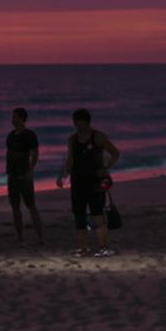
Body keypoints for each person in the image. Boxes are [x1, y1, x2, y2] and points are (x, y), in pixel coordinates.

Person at [66, 110, 120, 257]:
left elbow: (115, 153)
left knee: (97, 215)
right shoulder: (72, 139)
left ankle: (104, 247)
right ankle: (83, 248)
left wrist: (105, 168)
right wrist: (63, 174)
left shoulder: (98, 137)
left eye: (78, 122)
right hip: (77, 182)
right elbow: (70, 159)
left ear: (86, 121)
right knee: (79, 216)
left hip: (94, 182)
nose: (76, 125)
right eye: (74, 122)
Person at [5, 108, 42, 242]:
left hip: (24, 175)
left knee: (31, 205)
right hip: (12, 175)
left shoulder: (29, 135)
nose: (13, 119)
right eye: (13, 117)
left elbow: (35, 154)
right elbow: (9, 154)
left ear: (22, 119)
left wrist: (30, 169)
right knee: (15, 207)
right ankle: (20, 237)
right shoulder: (10, 136)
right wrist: (8, 173)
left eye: (15, 117)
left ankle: (40, 236)